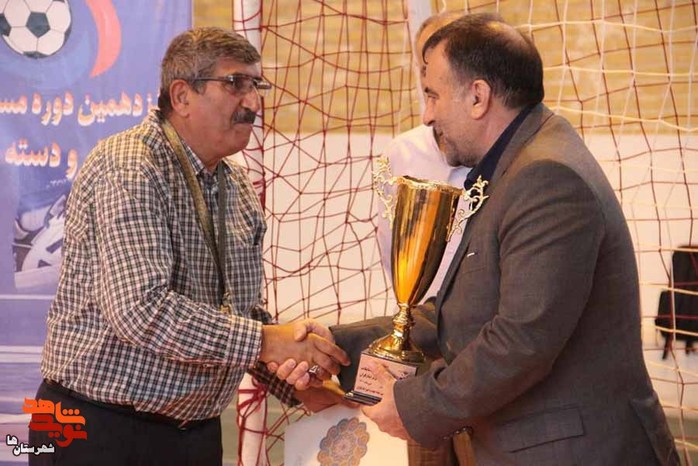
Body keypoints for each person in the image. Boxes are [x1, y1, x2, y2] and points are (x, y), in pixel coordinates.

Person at [281, 13, 680, 465]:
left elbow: (522, 340)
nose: (427, 115)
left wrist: (415, 408)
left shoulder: (546, 176)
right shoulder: (516, 165)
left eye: (433, 95)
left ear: (477, 97)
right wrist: (334, 345)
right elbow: (463, 312)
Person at [30, 27, 349, 466]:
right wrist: (266, 341)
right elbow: (141, 311)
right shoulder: (130, 166)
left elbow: (237, 314)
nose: (253, 103)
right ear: (182, 96)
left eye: (256, 85)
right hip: (93, 429)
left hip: (193, 435)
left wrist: (296, 382)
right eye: (235, 83)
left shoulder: (235, 186)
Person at [375, 10, 474, 466]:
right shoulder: (403, 152)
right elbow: (390, 249)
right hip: (421, 348)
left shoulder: (505, 156)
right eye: (424, 65)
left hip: (481, 355)